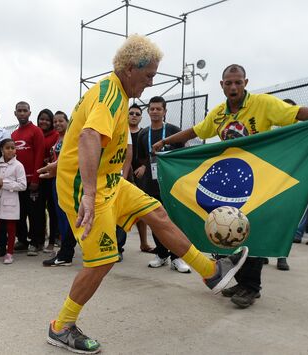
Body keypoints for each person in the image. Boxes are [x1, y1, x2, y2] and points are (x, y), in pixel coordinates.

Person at [46, 35, 248, 354]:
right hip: (90, 189)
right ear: (130, 69)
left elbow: (78, 135)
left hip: (111, 181)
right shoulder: (110, 95)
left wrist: (60, 163)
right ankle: (61, 326)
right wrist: (86, 192)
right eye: (149, 75)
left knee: (156, 213)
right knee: (102, 261)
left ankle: (211, 272)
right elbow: (87, 137)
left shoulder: (115, 93)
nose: (151, 81)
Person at [152, 64, 308, 308]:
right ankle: (238, 280)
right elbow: (195, 131)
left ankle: (252, 288)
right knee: (225, 232)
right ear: (222, 85)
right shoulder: (219, 113)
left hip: (258, 179)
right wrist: (166, 142)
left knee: (251, 231)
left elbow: (296, 113)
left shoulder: (263, 104)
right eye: (228, 83)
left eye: (238, 82)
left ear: (245, 82)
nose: (233, 87)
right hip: (227, 181)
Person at [136, 96, 190, 273]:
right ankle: (161, 254)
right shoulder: (144, 134)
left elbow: (185, 152)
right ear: (148, 111)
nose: (155, 112)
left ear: (165, 111)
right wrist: (144, 166)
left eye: (158, 109)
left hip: (172, 184)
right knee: (155, 220)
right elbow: (143, 157)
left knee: (174, 220)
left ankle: (177, 257)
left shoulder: (174, 131)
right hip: (151, 184)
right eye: (152, 109)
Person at [43, 111, 78, 267]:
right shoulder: (58, 139)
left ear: (68, 121)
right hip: (56, 181)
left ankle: (66, 252)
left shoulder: (73, 137)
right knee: (59, 215)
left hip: (68, 181)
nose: (57, 124)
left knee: (67, 216)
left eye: (60, 121)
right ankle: (65, 251)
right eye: (55, 121)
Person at [11, 101, 45, 256]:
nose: (22, 113)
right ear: (15, 113)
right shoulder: (14, 135)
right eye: (20, 110)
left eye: (25, 110)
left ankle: (36, 242)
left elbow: (39, 154)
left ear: (30, 113)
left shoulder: (36, 131)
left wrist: (36, 179)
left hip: (33, 181)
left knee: (35, 213)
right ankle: (22, 240)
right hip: (18, 182)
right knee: (20, 212)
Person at [121, 103, 154, 254]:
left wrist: (144, 167)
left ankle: (144, 243)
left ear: (141, 117)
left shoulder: (144, 133)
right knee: (121, 211)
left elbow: (151, 153)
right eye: (131, 113)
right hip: (121, 175)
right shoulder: (120, 131)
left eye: (137, 114)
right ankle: (117, 245)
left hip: (140, 177)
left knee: (141, 210)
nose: (134, 116)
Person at [36, 108, 60, 252]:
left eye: (47, 119)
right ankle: (39, 239)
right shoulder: (36, 133)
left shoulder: (56, 135)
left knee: (52, 209)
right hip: (39, 176)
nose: (43, 122)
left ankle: (52, 240)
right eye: (41, 119)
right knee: (38, 210)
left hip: (52, 177)